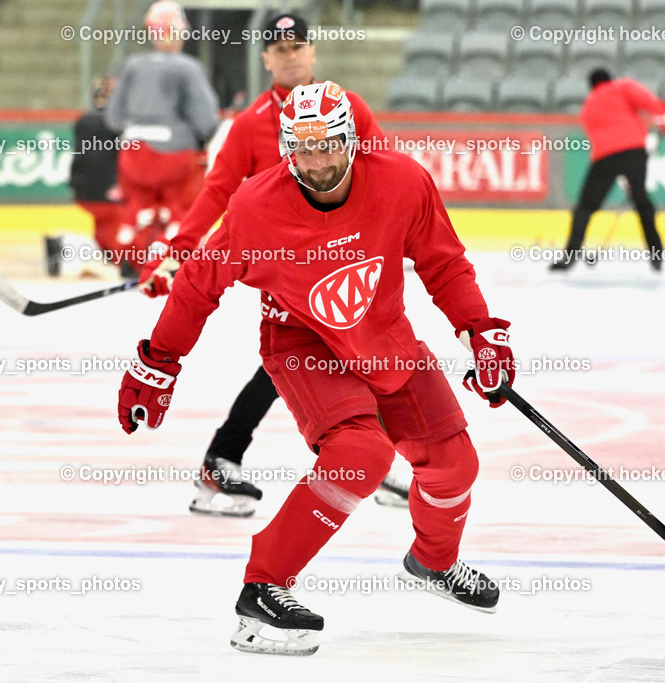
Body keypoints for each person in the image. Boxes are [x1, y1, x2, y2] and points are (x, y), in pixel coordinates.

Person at [117, 81, 510, 655]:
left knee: (455, 465)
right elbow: (199, 286)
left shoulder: (403, 182)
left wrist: (482, 332)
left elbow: (444, 264)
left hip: (382, 335)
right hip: (302, 341)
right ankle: (264, 589)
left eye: (328, 145)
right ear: (285, 147)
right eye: (302, 147)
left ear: (353, 141)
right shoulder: (256, 206)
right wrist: (158, 364)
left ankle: (433, 562)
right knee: (361, 454)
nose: (316, 161)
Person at [138, 12, 395, 517]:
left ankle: (242, 458)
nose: (290, 54)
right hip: (286, 272)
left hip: (345, 263)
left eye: (298, 45)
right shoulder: (251, 126)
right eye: (279, 49)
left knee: (334, 358)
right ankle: (353, 459)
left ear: (313, 52)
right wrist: (178, 252)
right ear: (265, 59)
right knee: (308, 358)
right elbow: (218, 195)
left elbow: (383, 174)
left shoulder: (347, 109)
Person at [105, 0, 220, 270]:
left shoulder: (133, 65)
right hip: (175, 156)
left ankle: (127, 254)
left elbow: (113, 117)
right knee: (180, 207)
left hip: (132, 155)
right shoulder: (187, 68)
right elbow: (206, 120)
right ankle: (174, 256)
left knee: (137, 206)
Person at [551, 69, 665, 272]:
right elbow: (650, 104)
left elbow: (593, 133)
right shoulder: (623, 86)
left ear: (591, 86)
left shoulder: (589, 105)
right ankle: (656, 255)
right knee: (641, 200)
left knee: (585, 207)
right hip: (634, 151)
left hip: (605, 155)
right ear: (609, 79)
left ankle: (569, 257)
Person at [45, 77, 131, 278]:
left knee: (105, 232)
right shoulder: (120, 125)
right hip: (112, 195)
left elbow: (83, 158)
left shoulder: (83, 121)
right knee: (120, 249)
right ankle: (69, 246)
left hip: (85, 191)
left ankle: (68, 244)